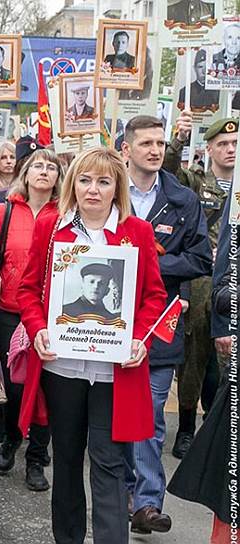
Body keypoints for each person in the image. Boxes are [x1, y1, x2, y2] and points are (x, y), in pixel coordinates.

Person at [17, 147, 167, 544]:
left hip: (113, 371)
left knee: (109, 463)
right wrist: (37, 329)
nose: (93, 190)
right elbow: (28, 290)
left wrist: (139, 336)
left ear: (117, 186)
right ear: (73, 184)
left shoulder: (138, 232)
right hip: (61, 367)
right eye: (85, 180)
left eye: (104, 181)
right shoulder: (51, 228)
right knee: (65, 461)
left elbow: (154, 296)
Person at [118, 114, 212, 534]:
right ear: (127, 149)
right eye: (146, 144)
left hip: (159, 321)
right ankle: (118, 494)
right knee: (113, 416)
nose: (155, 150)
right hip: (107, 318)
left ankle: (147, 503)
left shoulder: (182, 198)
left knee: (150, 414)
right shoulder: (105, 189)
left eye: (160, 143)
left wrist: (150, 261)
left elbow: (200, 258)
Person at [0, 148, 62, 492]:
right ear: (27, 173)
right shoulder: (5, 210)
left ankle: (36, 458)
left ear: (60, 178)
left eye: (52, 167)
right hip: (10, 310)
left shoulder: (66, 215)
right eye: (38, 166)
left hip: (51, 316)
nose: (44, 172)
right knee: (15, 386)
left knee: (46, 389)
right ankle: (12, 439)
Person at [163, 112, 235, 459]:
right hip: (202, 281)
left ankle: (217, 428)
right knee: (193, 359)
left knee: (224, 363)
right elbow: (170, 173)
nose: (230, 150)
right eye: (223, 144)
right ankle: (187, 428)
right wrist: (177, 138)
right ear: (209, 149)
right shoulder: (195, 181)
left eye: (235, 144)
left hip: (232, 282)